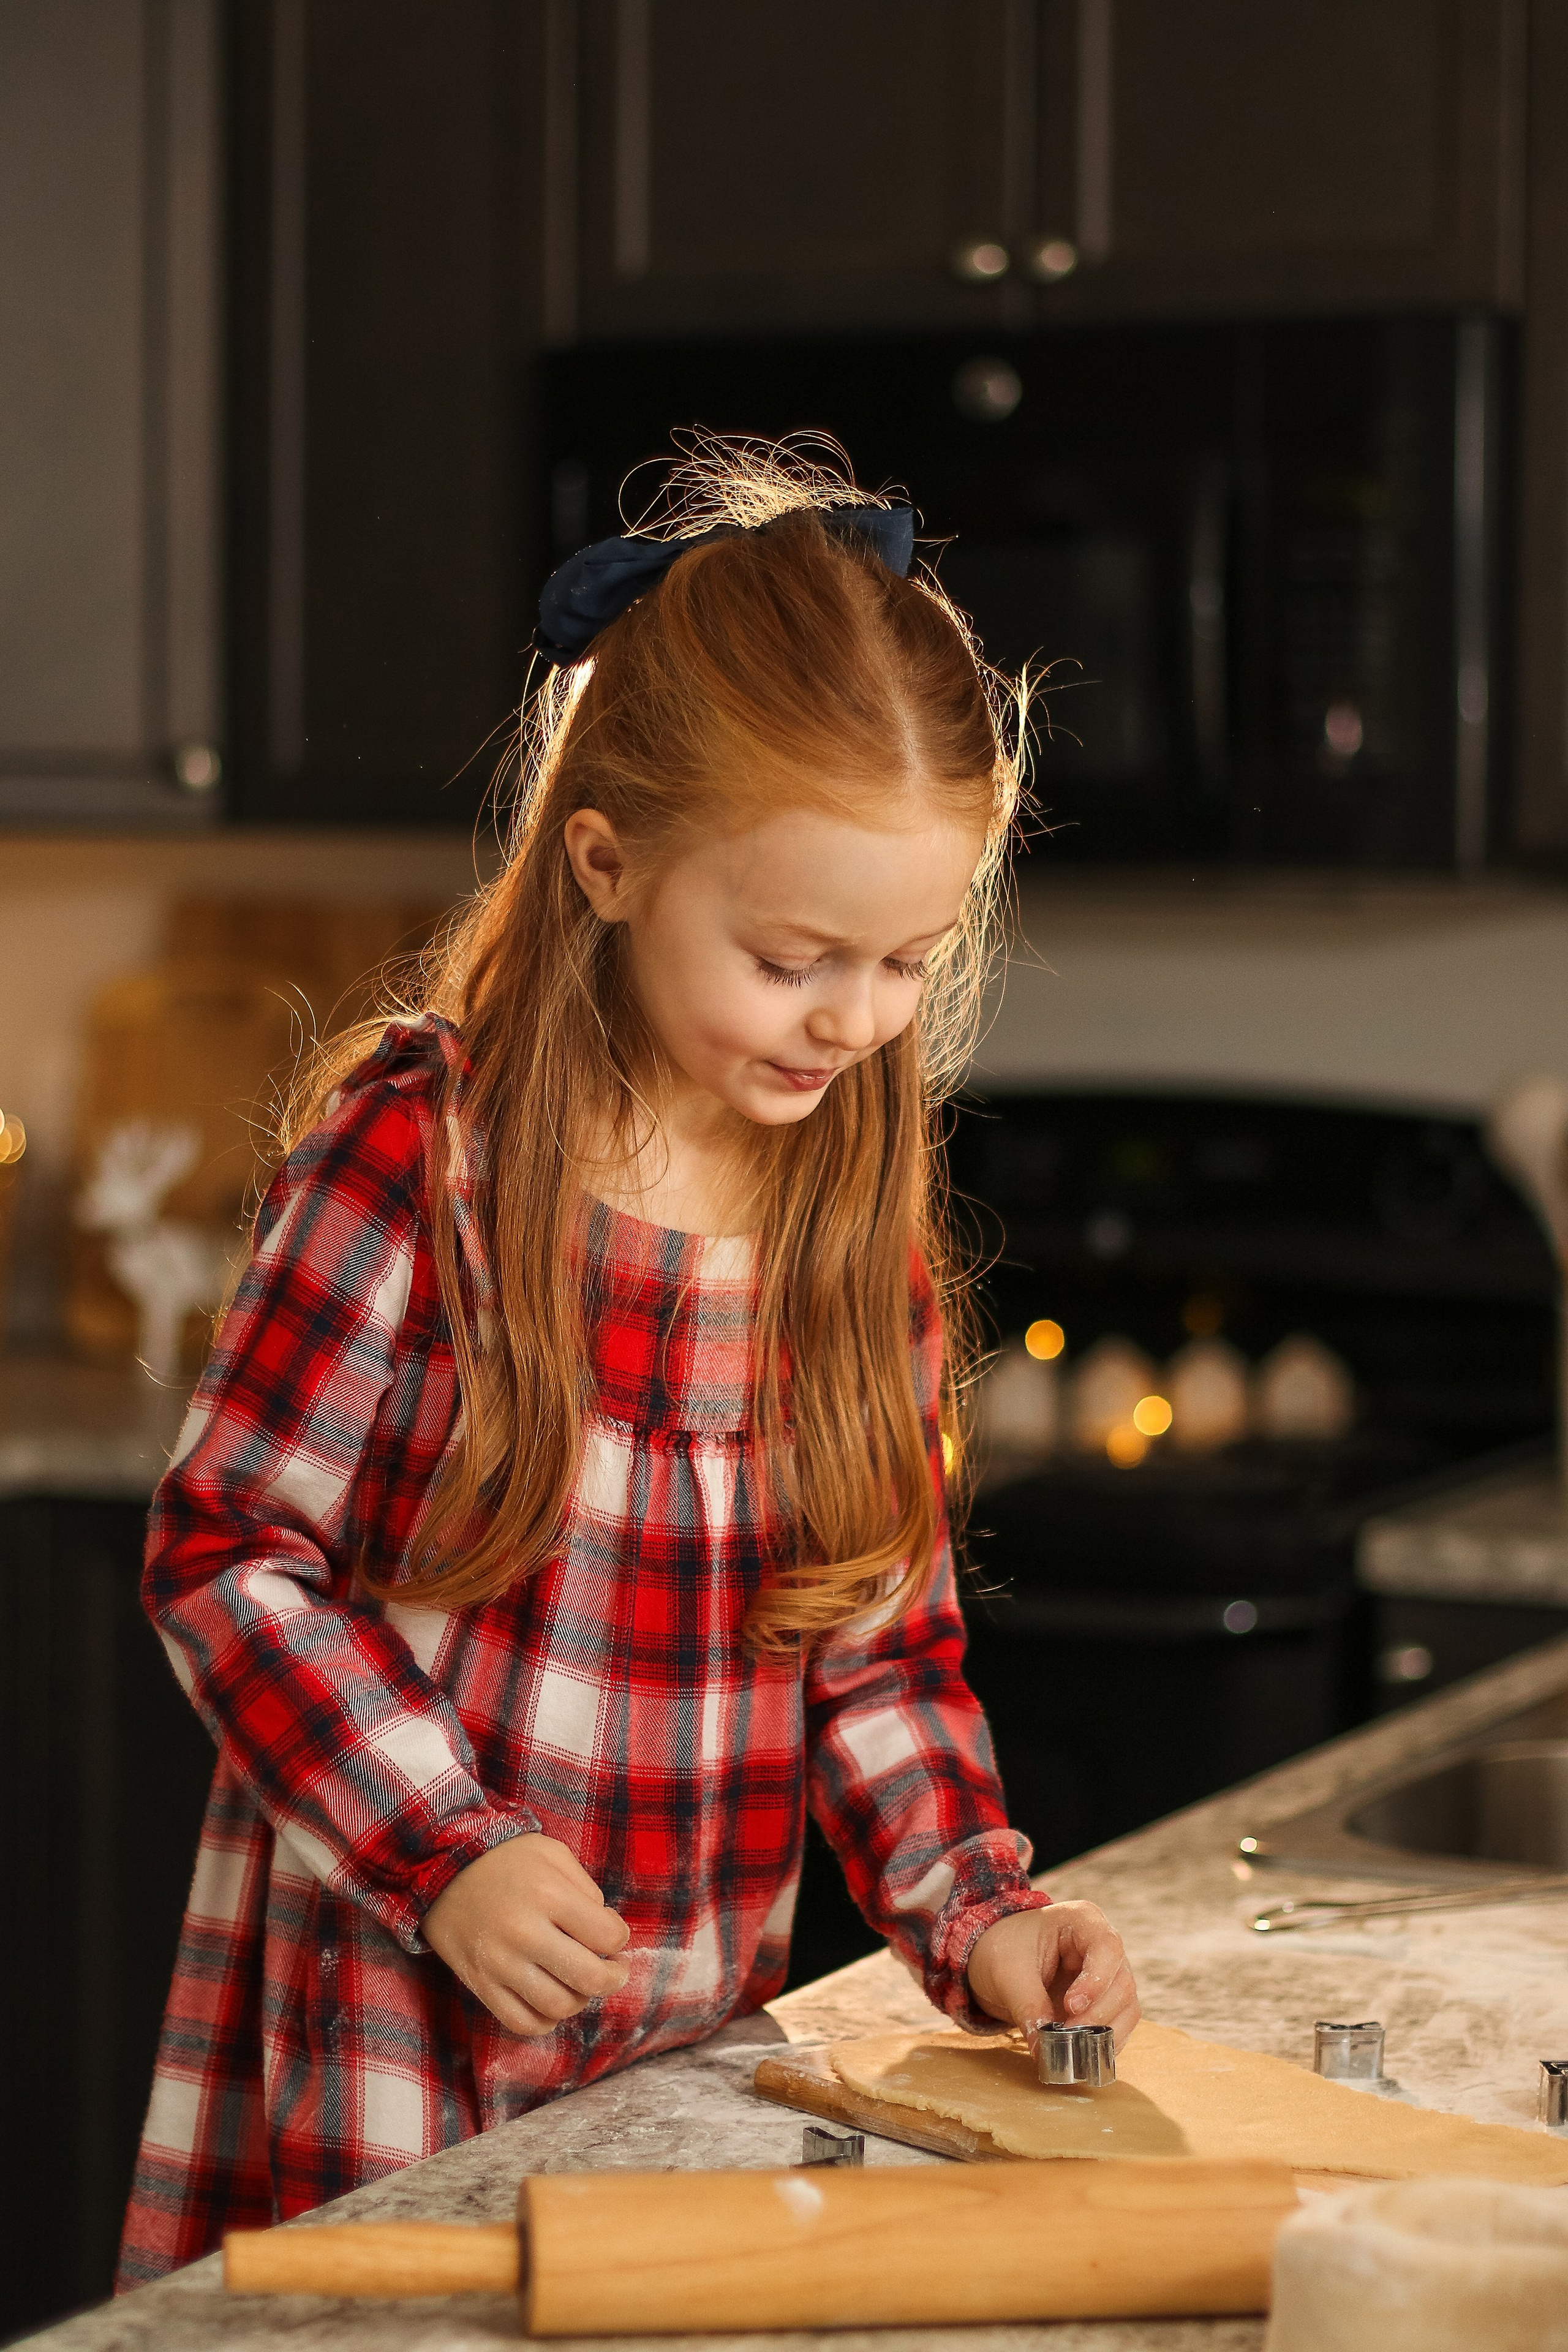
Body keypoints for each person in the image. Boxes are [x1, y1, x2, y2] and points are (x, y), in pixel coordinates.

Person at [118, 437, 1139, 2287]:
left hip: (678, 2078)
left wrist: (985, 1916)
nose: (856, 1019)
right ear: (605, 860)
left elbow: (878, 1661)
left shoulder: (849, 1238)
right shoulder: (419, 1165)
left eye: (907, 961)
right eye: (792, 955)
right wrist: (446, 1855)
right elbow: (225, 1558)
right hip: (393, 2038)